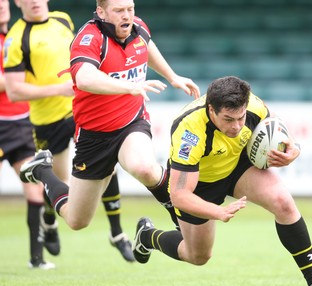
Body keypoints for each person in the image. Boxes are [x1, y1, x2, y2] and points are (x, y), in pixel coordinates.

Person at [130, 76, 312, 286]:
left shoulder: (251, 105)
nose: (237, 126)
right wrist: (217, 211)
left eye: (241, 118)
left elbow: (273, 120)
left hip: (238, 166)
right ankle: (147, 236)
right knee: (197, 255)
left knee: (283, 203)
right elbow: (179, 195)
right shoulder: (189, 132)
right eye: (229, 119)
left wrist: (293, 147)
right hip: (201, 184)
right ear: (211, 110)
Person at [17, 0, 200, 248]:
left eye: (130, 9)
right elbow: (84, 78)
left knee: (144, 168)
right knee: (77, 220)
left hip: (131, 123)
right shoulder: (89, 37)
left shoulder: (137, 27)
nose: (127, 16)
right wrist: (130, 86)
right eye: (119, 11)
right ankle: (42, 171)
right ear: (101, 12)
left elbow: (146, 45)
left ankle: (180, 216)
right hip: (94, 135)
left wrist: (172, 76)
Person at [4, 0, 135, 262]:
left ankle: (118, 233)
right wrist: (59, 89)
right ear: (18, 2)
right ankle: (50, 219)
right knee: (64, 183)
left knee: (107, 162)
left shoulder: (63, 20)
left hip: (81, 110)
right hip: (47, 120)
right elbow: (14, 91)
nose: (34, 2)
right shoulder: (16, 38)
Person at [0, 0, 56, 270]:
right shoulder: (15, 41)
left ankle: (37, 258)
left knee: (35, 190)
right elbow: (12, 84)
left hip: (21, 124)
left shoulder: (16, 36)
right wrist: (18, 80)